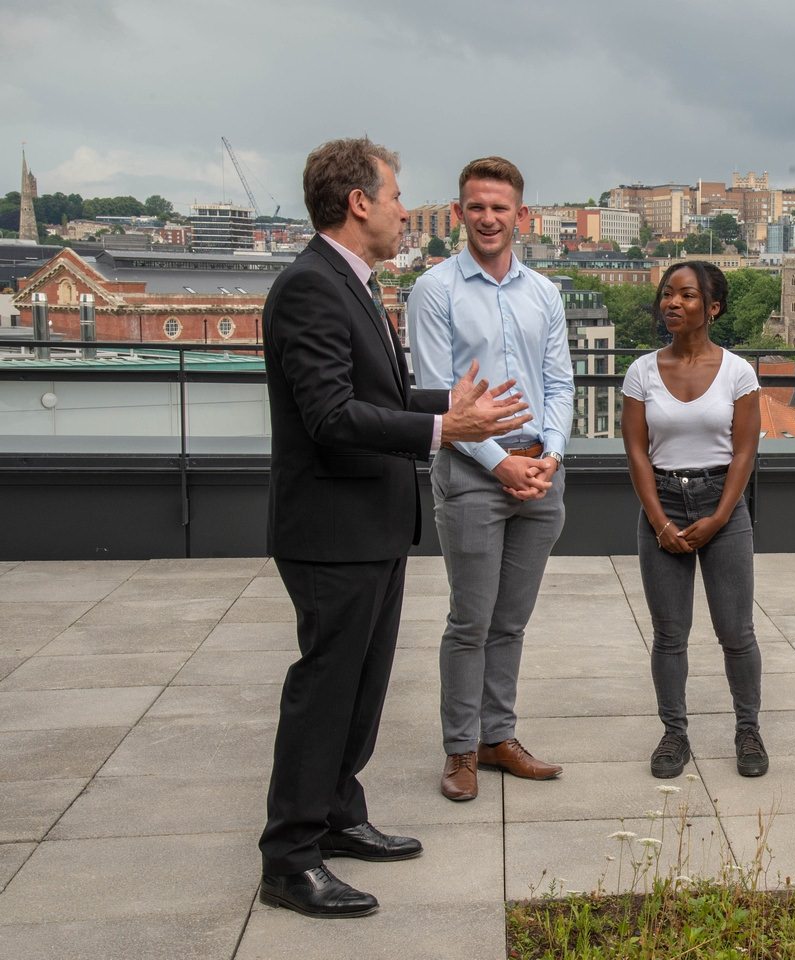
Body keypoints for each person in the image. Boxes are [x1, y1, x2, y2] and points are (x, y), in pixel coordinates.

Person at [259, 137, 529, 918]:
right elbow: (331, 416)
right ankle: (290, 857)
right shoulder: (311, 287)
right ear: (358, 203)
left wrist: (447, 408)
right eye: (396, 194)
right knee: (325, 689)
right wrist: (445, 430)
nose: (406, 209)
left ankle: (338, 815)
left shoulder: (353, 282)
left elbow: (376, 394)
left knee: (360, 689)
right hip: (331, 529)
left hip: (369, 524)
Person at [410, 156, 574, 802]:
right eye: (475, 207)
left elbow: (559, 383)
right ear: (458, 214)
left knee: (511, 621)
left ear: (520, 216)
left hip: (538, 470)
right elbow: (433, 397)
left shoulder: (545, 294)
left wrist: (550, 457)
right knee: (470, 621)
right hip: (474, 472)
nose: (487, 218)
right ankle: (459, 750)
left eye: (499, 207)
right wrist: (499, 462)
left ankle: (496, 737)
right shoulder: (434, 291)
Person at [621, 261, 766, 779]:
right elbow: (637, 454)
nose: (672, 303)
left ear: (713, 307)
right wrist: (660, 522)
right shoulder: (640, 371)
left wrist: (721, 515)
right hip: (661, 501)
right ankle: (674, 734)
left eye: (685, 295)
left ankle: (747, 730)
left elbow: (746, 452)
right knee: (669, 634)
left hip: (722, 500)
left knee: (736, 632)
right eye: (667, 295)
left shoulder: (737, 372)